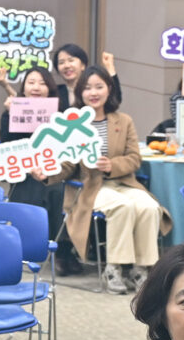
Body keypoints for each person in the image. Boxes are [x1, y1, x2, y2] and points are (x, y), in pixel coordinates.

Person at [53, 66, 169, 294]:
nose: (93, 93)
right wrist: (48, 173)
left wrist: (112, 166)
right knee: (122, 206)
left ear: (109, 89)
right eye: (87, 88)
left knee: (149, 207)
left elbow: (134, 158)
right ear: (80, 92)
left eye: (99, 87)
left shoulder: (123, 121)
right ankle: (113, 268)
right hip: (88, 186)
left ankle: (141, 269)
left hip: (123, 182)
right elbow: (66, 165)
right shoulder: (72, 123)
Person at [0, 67, 77, 272]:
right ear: (23, 88)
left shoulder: (60, 114)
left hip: (53, 169)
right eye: (31, 82)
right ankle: (33, 247)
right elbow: (6, 145)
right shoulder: (11, 111)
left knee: (55, 187)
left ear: (50, 88)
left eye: (42, 83)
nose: (36, 87)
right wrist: (11, 114)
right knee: (32, 184)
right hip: (23, 171)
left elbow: (66, 148)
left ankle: (59, 248)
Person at [52, 44, 122, 108]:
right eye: (61, 62)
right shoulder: (55, 93)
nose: (66, 66)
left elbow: (115, 99)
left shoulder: (93, 90)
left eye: (71, 60)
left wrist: (110, 67)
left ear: (83, 65)